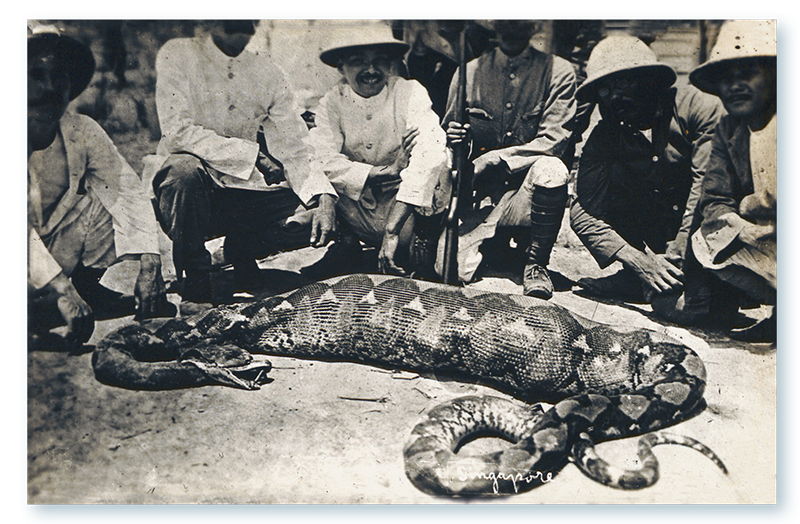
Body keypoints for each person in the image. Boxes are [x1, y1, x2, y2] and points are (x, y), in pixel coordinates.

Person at [149, 20, 337, 302]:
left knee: (317, 214)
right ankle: (197, 280)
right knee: (182, 171)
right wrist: (254, 155)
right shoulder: (178, 54)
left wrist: (324, 197)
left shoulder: (267, 71)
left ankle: (241, 250)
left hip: (247, 192)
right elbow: (177, 132)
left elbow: (295, 146)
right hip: (192, 196)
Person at [27, 23, 170, 350]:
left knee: (101, 199)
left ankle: (87, 290)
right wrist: (61, 288)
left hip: (49, 248)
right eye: (36, 75)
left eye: (59, 77)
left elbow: (125, 188)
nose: (50, 87)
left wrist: (150, 263)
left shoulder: (81, 129)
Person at [569, 36, 727, 315]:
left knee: (678, 306)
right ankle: (637, 279)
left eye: (623, 83)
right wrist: (639, 262)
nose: (614, 97)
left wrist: (676, 260)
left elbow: (707, 189)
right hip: (656, 242)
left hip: (708, 230)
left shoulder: (698, 108)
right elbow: (582, 210)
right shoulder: (606, 134)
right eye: (605, 89)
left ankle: (715, 284)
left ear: (650, 80)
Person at [440, 19, 577, 299]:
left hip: (527, 194)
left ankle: (535, 264)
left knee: (553, 169)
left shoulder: (558, 71)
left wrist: (496, 159)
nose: (512, 30)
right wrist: (455, 137)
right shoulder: (468, 72)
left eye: (521, 22)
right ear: (494, 26)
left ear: (533, 27)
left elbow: (554, 140)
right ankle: (494, 248)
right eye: (505, 22)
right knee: (451, 269)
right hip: (479, 198)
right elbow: (447, 138)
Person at [305, 28, 449, 276]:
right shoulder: (332, 101)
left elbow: (430, 151)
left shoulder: (409, 92)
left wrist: (392, 230)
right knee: (312, 168)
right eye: (358, 61)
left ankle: (420, 246)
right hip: (358, 207)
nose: (371, 70)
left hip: (405, 208)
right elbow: (321, 156)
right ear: (341, 67)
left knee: (439, 159)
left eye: (379, 60)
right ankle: (346, 244)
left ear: (391, 64)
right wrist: (383, 172)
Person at [686, 20, 777, 342]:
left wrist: (753, 209)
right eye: (727, 78)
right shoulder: (729, 130)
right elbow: (714, 195)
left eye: (748, 73)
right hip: (767, 234)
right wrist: (739, 225)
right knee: (706, 238)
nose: (736, 86)